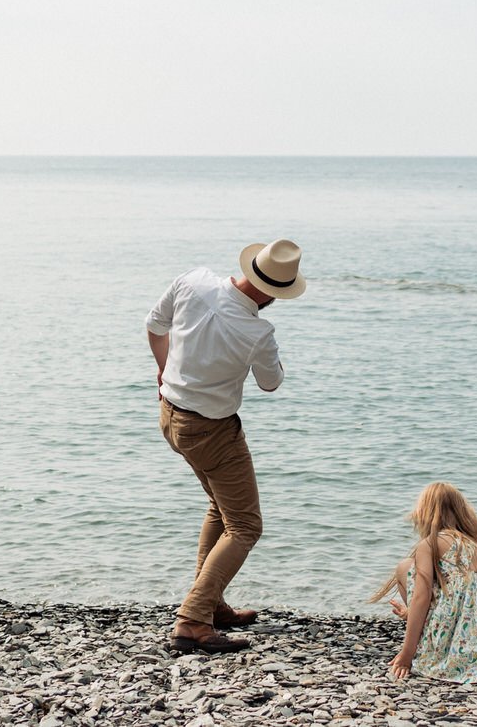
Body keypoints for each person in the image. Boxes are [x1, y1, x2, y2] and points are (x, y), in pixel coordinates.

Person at [147, 238, 307, 654]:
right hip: (213, 432)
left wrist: (164, 374)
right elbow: (271, 383)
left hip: (172, 416)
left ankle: (212, 604)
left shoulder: (193, 281)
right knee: (246, 526)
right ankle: (192, 620)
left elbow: (154, 325)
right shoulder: (257, 331)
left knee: (221, 509)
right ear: (272, 291)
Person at [371, 481, 477, 683]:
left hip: (453, 639)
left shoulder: (430, 543)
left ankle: (425, 639)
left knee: (405, 566)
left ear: (424, 512)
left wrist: (406, 656)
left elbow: (422, 597)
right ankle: (420, 621)